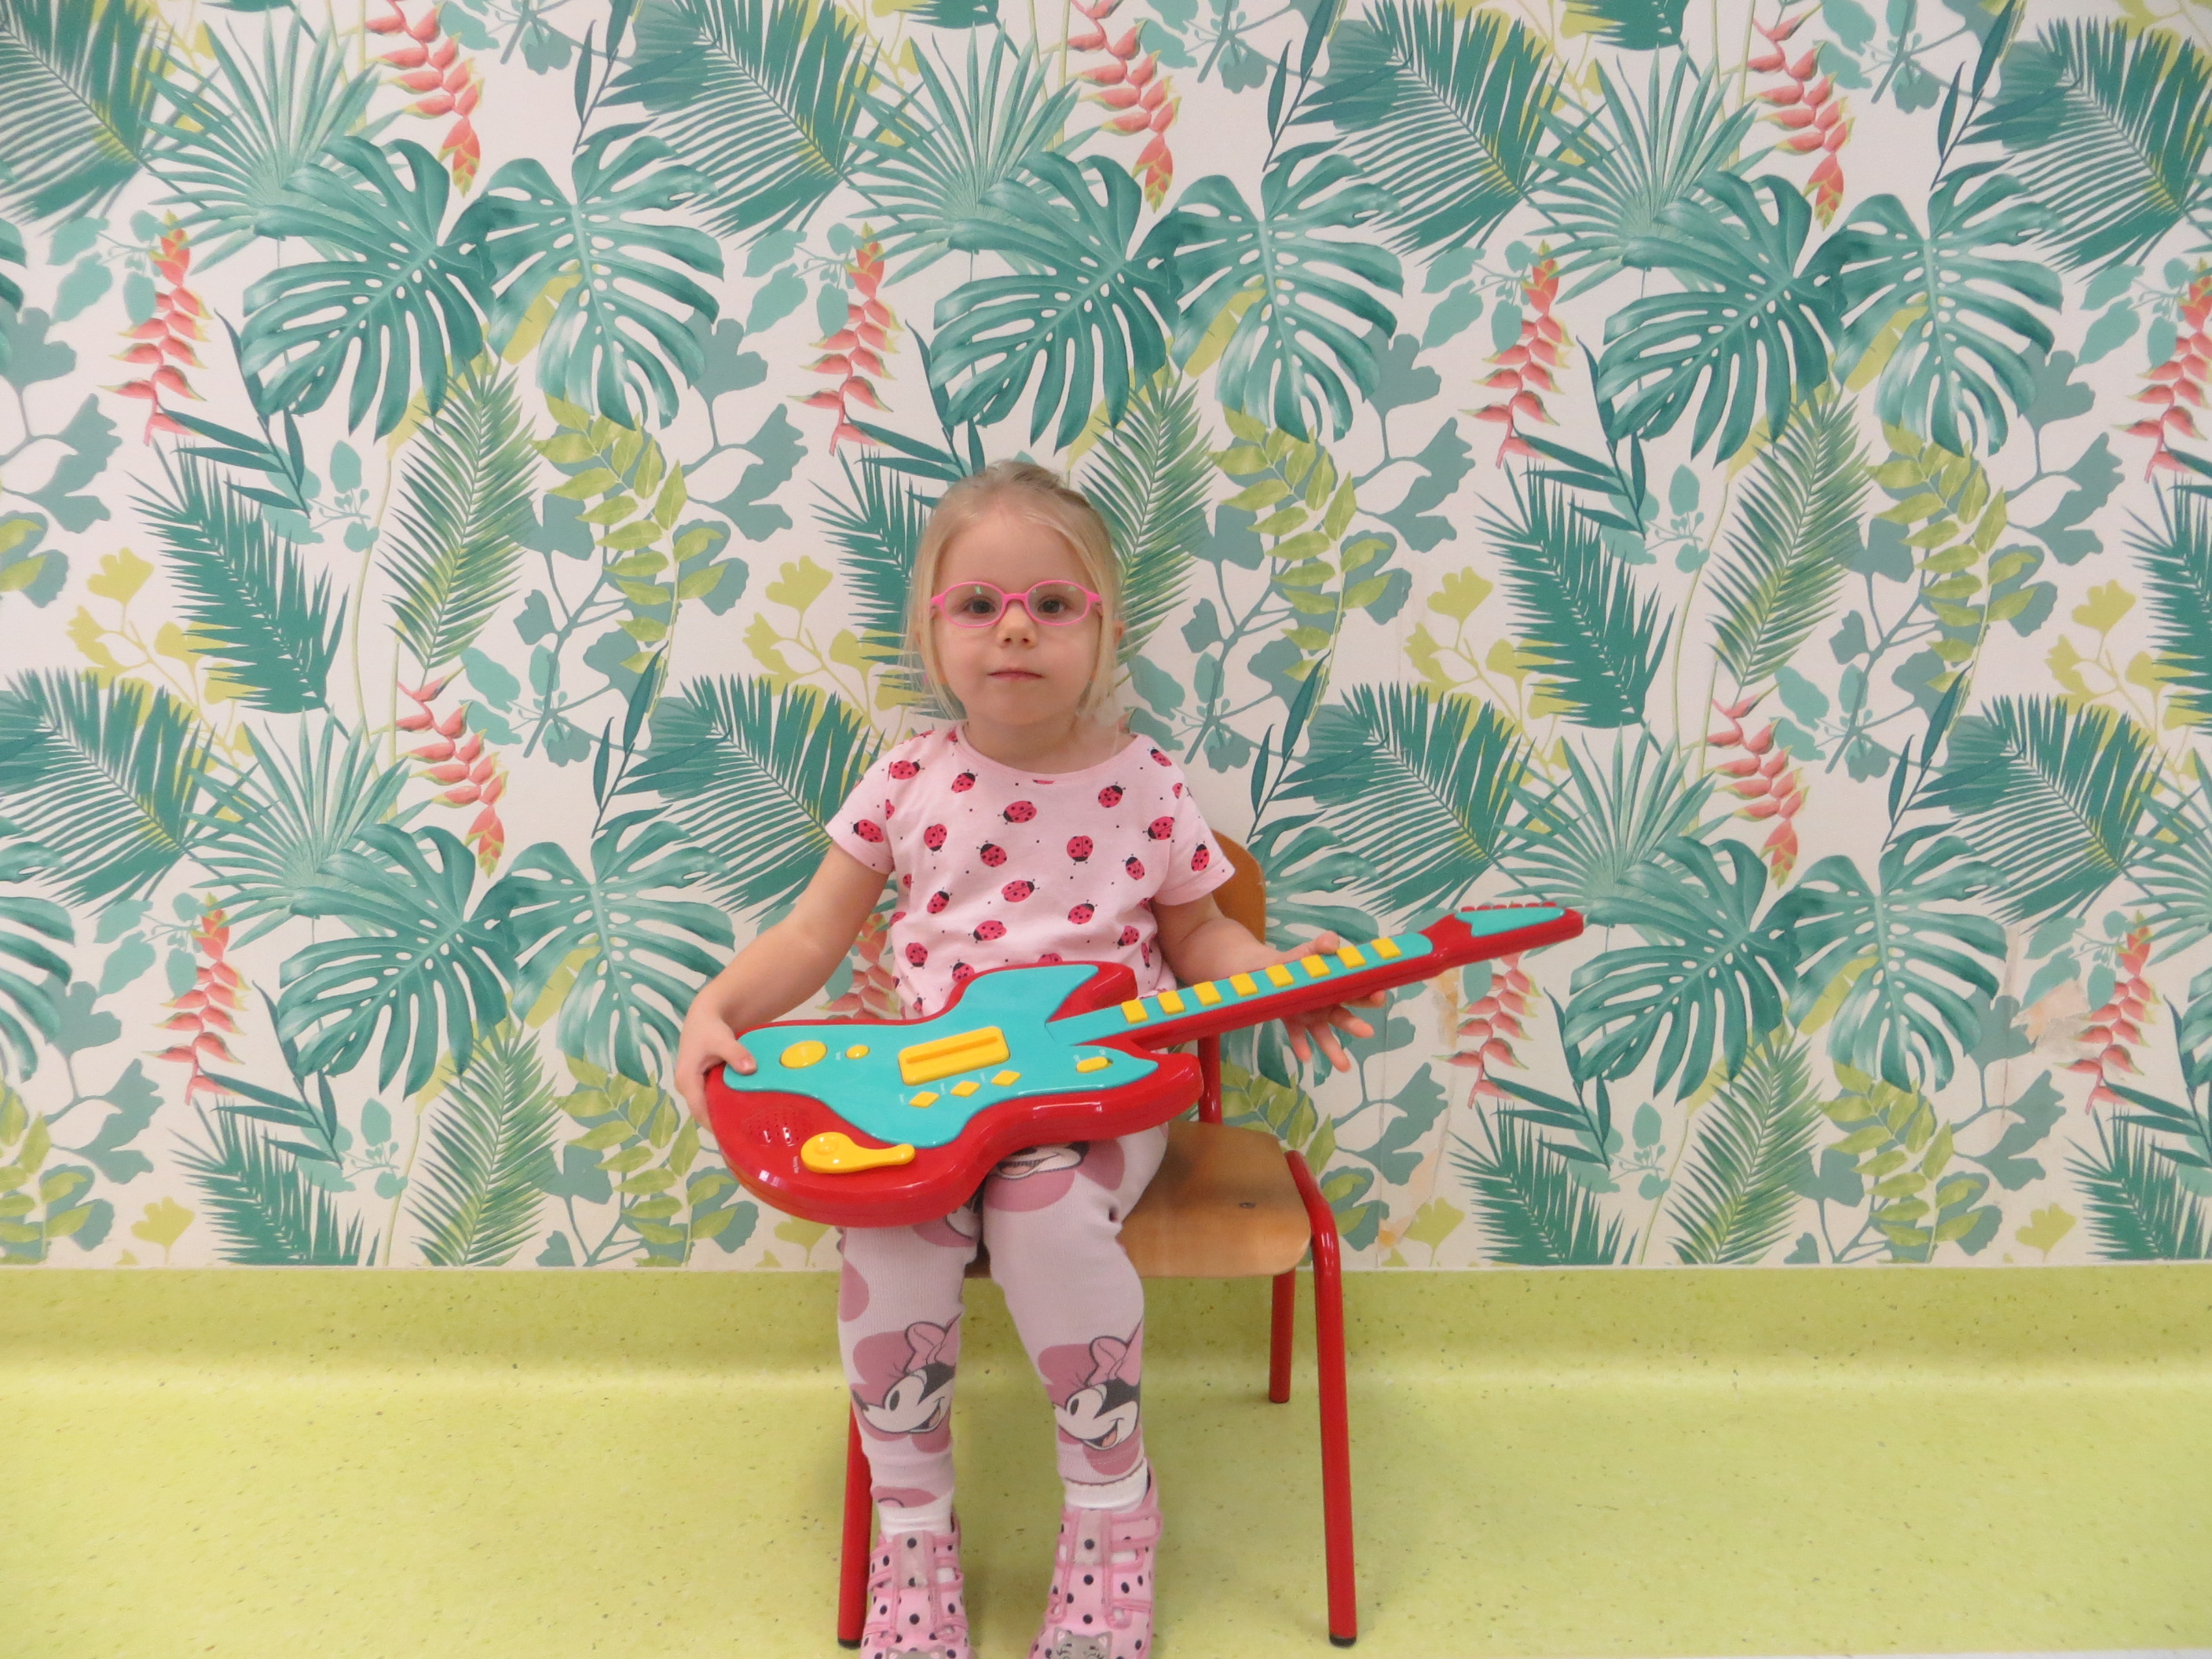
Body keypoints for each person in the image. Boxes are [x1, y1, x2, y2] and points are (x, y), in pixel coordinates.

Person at [674, 459, 1383, 1659]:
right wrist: (717, 1006)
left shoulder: (1147, 782)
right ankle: (913, 1528)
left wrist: (1275, 972)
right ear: (931, 632)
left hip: (1102, 1098)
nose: (1015, 628)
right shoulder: (906, 780)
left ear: (1104, 632)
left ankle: (1113, 1515)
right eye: (980, 603)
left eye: (1053, 603)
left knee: (1044, 1215)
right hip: (937, 1099)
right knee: (890, 1231)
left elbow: (1203, 937)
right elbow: (809, 934)